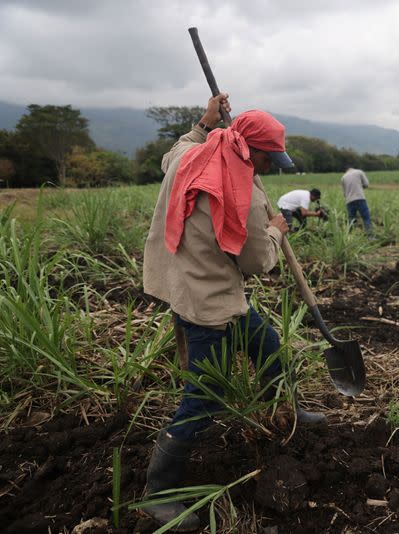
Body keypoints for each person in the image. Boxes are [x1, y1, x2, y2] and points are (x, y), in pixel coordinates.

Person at [141, 94, 325, 530]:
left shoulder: (196, 152)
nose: (270, 165)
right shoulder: (242, 195)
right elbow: (258, 262)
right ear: (252, 150)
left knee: (267, 344)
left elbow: (172, 154)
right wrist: (277, 231)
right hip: (209, 298)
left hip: (185, 278)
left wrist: (202, 124)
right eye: (268, 157)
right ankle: (158, 492)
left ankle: (283, 409)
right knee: (204, 398)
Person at [341, 167, 373, 234]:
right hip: (360, 198)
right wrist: (360, 186)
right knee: (366, 218)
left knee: (351, 220)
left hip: (349, 201)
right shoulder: (359, 172)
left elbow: (344, 193)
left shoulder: (343, 177)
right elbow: (366, 184)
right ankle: (370, 237)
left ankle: (349, 237)